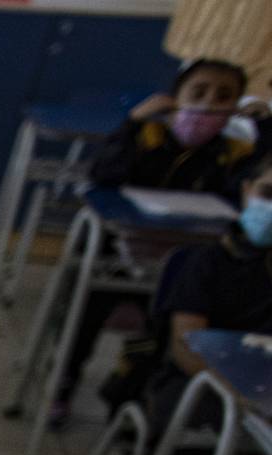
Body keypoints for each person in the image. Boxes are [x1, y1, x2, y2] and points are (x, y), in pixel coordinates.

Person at [75, 160, 272, 455]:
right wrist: (238, 398)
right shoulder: (208, 261)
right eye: (268, 192)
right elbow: (187, 348)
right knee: (182, 442)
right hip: (199, 383)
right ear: (246, 192)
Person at [50, 58, 268, 427]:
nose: (208, 104)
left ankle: (128, 397)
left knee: (159, 335)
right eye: (198, 93)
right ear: (175, 96)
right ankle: (64, 382)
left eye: (223, 97)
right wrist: (133, 124)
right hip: (120, 253)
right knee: (88, 312)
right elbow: (104, 174)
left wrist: (264, 129)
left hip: (187, 268)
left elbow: (253, 190)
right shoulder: (149, 136)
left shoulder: (233, 152)